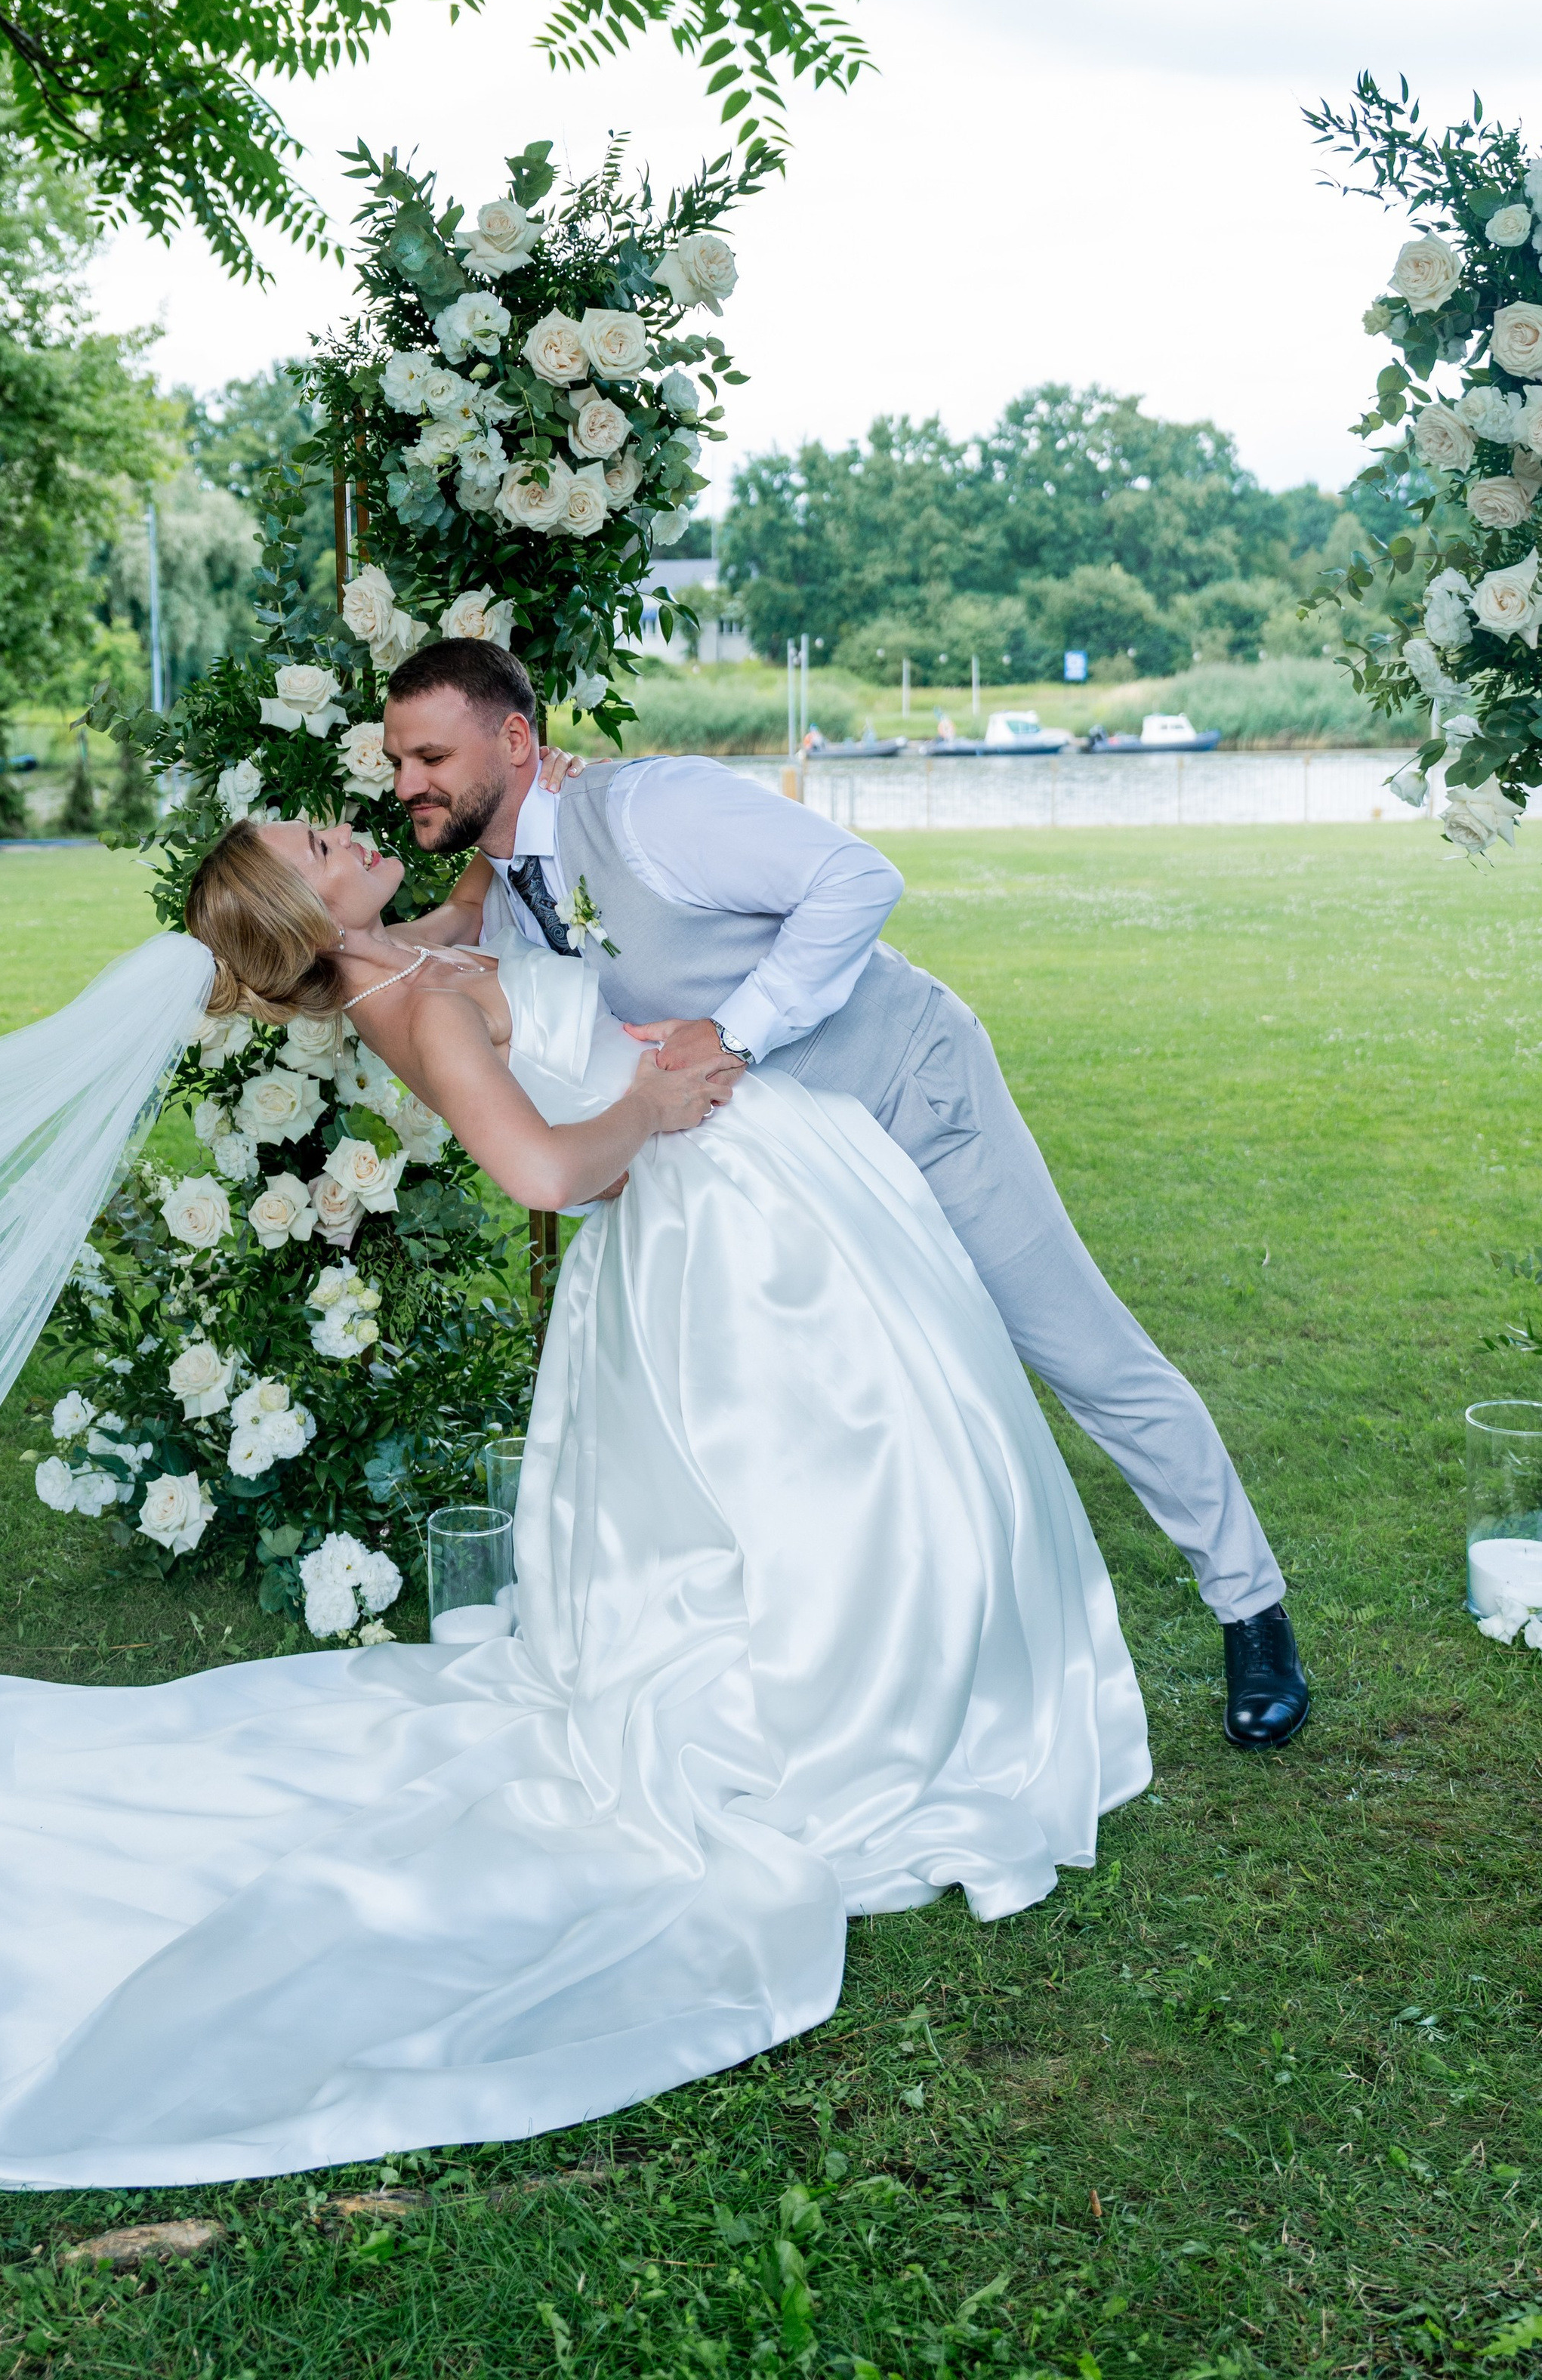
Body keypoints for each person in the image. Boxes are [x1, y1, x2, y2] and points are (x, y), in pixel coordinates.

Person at [0, 810, 1149, 2190]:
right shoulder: (406, 998)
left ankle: (911, 1695)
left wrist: (499, 825)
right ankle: (884, 1723)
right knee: (836, 1489)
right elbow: (545, 1173)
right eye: (318, 836)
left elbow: (482, 904)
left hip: (751, 1205)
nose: (345, 819)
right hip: (720, 1219)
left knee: (827, 1496)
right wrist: (659, 1106)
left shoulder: (395, 962)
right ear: (317, 909)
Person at [378, 636, 1307, 1751]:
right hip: (797, 1180)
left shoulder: (655, 809)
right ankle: (872, 1689)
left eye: (430, 755)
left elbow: (858, 878)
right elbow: (461, 950)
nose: (407, 784)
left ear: (517, 741)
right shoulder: (515, 889)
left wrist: (736, 1030)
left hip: (913, 1100)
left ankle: (1251, 1607)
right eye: (398, 762)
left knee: (1078, 1348)